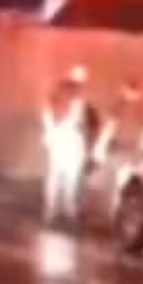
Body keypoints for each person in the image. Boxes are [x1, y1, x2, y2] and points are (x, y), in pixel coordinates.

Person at [41, 77, 87, 224]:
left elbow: (79, 124)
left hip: (68, 147)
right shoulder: (56, 107)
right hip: (63, 146)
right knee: (58, 180)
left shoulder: (74, 106)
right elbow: (50, 123)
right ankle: (55, 211)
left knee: (66, 181)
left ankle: (64, 211)